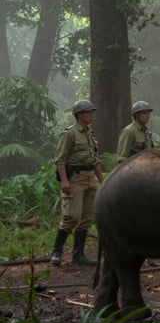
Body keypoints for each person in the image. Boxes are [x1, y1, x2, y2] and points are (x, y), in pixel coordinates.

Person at [50, 99, 104, 266]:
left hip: (89, 178)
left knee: (87, 217)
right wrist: (65, 181)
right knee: (72, 216)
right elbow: (60, 160)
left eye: (92, 112)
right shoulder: (69, 134)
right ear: (79, 115)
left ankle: (78, 254)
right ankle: (56, 251)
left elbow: (95, 160)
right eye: (89, 112)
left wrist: (102, 180)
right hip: (75, 179)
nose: (92, 115)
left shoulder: (90, 133)